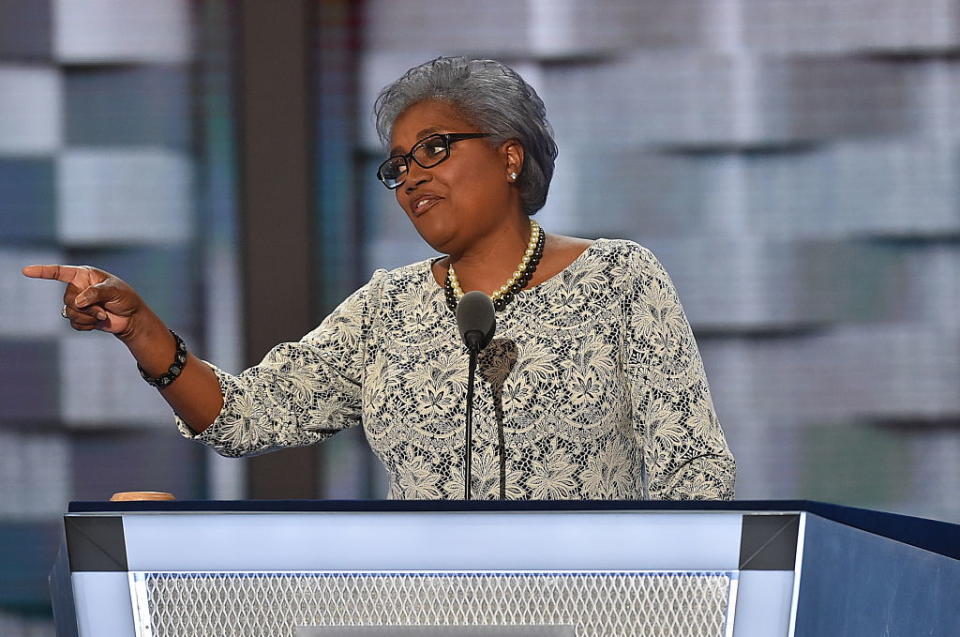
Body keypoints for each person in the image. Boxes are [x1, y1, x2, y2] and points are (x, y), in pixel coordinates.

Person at [22, 57, 735, 500]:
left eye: (433, 148)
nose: (410, 177)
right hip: (419, 613)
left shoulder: (621, 279)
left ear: (510, 156)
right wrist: (141, 328)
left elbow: (695, 473)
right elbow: (244, 416)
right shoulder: (387, 307)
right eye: (397, 166)